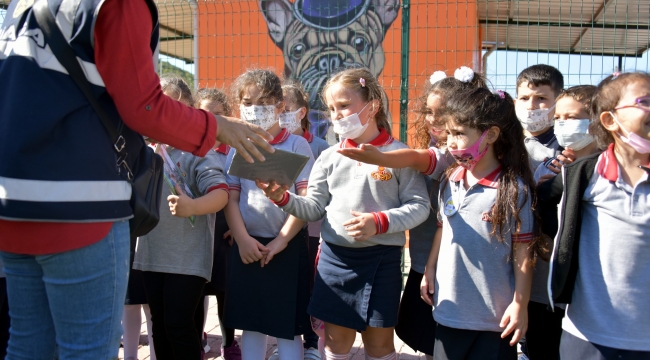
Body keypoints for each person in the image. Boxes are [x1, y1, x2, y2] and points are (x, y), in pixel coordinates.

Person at [0, 1, 273, 358]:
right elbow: (143, 105)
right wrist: (218, 126)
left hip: (14, 201)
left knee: (28, 344)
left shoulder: (23, 5)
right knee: (86, 349)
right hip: (82, 204)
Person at [257, 68, 430, 360]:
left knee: (379, 346)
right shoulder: (328, 157)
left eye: (344, 105)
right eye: (332, 108)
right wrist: (282, 198)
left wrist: (380, 222)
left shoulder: (399, 155)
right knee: (336, 344)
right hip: (335, 260)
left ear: (372, 105)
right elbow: (312, 208)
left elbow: (420, 207)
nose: (337, 114)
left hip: (382, 262)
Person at [419, 88, 539, 360]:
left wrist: (520, 305)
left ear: (492, 135)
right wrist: (429, 268)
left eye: (459, 133)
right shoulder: (450, 179)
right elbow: (443, 227)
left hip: (494, 321)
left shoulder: (514, 189)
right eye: (448, 134)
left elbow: (523, 252)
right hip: (449, 312)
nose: (451, 142)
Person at [538, 72, 650, 360]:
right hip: (587, 336)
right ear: (610, 120)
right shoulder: (583, 174)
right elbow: (541, 202)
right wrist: (551, 241)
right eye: (645, 102)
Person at [133, 76, 230, 360]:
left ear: (188, 112)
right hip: (151, 253)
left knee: (178, 326)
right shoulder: (146, 151)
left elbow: (221, 193)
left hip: (186, 259)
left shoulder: (198, 151)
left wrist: (192, 207)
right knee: (159, 327)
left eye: (171, 109)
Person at [223, 69, 315, 360]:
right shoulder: (238, 145)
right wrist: (242, 239)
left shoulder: (297, 145)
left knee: (287, 328)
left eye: (263, 102)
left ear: (279, 106)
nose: (254, 109)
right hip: (248, 248)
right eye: (247, 102)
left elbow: (305, 199)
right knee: (252, 326)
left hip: (286, 247)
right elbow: (231, 197)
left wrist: (282, 241)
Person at [511, 64, 564, 360]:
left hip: (544, 263)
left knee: (543, 338)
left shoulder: (566, 148)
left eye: (541, 98)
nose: (532, 106)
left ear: (557, 100)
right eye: (525, 98)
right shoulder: (505, 143)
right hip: (507, 258)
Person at [278, 82, 330, 360]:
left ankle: (312, 343)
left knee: (309, 285)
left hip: (310, 229)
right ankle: (288, 342)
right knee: (287, 286)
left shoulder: (320, 146)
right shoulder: (274, 143)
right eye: (278, 109)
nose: (281, 114)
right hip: (279, 229)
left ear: (302, 112)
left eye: (287, 109)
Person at [194, 87, 242, 360]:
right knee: (197, 287)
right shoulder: (189, 148)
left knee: (225, 289)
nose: (212, 119)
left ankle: (229, 342)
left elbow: (242, 193)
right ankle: (198, 338)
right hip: (199, 229)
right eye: (205, 113)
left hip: (226, 229)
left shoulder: (234, 152)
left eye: (219, 114)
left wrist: (237, 227)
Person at [535, 85, 600, 185]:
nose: (561, 123)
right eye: (557, 118)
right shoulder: (548, 167)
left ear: (597, 122)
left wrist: (575, 177)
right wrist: (544, 191)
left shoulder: (610, 166)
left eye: (571, 117)